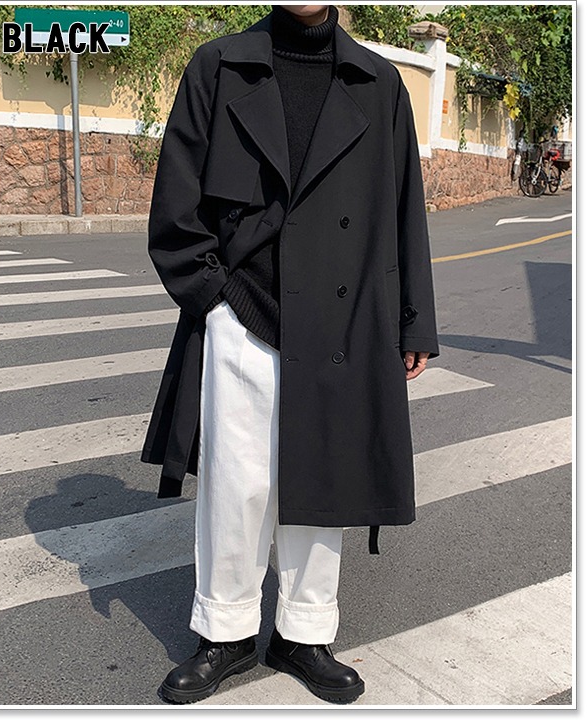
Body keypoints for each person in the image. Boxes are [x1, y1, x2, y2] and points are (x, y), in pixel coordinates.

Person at [141, 3, 439, 706]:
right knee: (235, 484)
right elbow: (176, 204)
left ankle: (304, 633)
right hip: (242, 313)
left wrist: (413, 323)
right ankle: (225, 631)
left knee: (321, 478)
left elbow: (405, 208)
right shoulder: (219, 65)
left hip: (341, 319)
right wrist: (214, 299)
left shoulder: (378, 82)